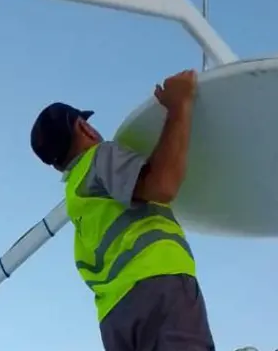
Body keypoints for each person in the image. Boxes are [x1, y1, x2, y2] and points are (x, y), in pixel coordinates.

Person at [30, 69, 215, 351]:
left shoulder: (77, 198)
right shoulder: (99, 157)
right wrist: (179, 106)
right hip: (157, 283)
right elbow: (162, 186)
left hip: (115, 316)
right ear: (83, 127)